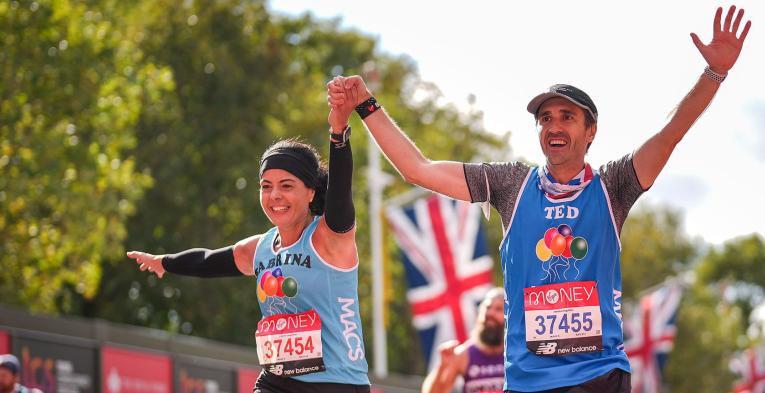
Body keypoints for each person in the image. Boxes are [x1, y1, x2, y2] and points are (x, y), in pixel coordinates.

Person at [327, 6, 751, 392]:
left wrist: (713, 74)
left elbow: (670, 133)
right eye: (546, 118)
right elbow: (417, 170)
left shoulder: (613, 186)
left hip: (598, 376)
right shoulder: (511, 185)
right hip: (529, 382)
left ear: (591, 131)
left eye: (567, 116)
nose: (555, 125)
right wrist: (367, 104)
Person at [127, 101, 371, 392]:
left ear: (311, 192)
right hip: (277, 380)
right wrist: (165, 262)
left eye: (287, 185)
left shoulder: (329, 239)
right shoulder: (261, 248)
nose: (274, 195)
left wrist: (338, 131)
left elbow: (341, 192)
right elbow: (208, 261)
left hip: (336, 384)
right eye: (266, 186)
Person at [422, 288, 505, 393]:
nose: (490, 313)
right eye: (487, 307)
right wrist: (442, 366)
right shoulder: (464, 354)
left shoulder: (516, 353)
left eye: (498, 309)